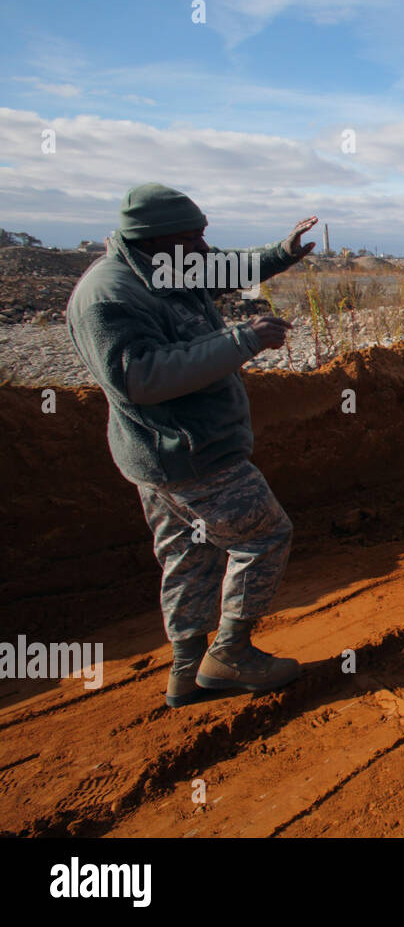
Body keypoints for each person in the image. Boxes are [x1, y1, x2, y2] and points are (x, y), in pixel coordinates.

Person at [66, 182, 318, 707]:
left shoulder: (168, 264)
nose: (205, 251)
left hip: (170, 455)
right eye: (195, 240)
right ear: (157, 241)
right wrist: (242, 340)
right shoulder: (110, 296)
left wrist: (282, 252)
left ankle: (187, 668)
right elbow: (142, 377)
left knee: (189, 553)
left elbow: (229, 267)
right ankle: (231, 654)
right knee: (265, 537)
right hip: (189, 455)